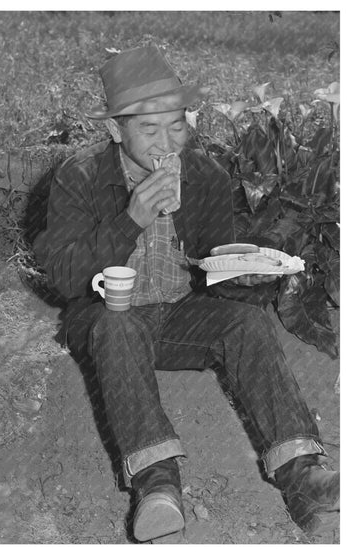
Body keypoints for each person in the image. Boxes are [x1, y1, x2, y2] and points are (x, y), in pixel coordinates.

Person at [34, 45, 340, 542]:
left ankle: (302, 473)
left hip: (178, 319)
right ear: (115, 130)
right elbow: (66, 280)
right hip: (103, 321)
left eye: (176, 125)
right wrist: (130, 217)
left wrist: (246, 276)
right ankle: (156, 485)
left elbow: (210, 268)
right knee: (117, 323)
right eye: (149, 130)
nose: (167, 143)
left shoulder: (205, 175)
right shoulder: (80, 175)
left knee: (246, 323)